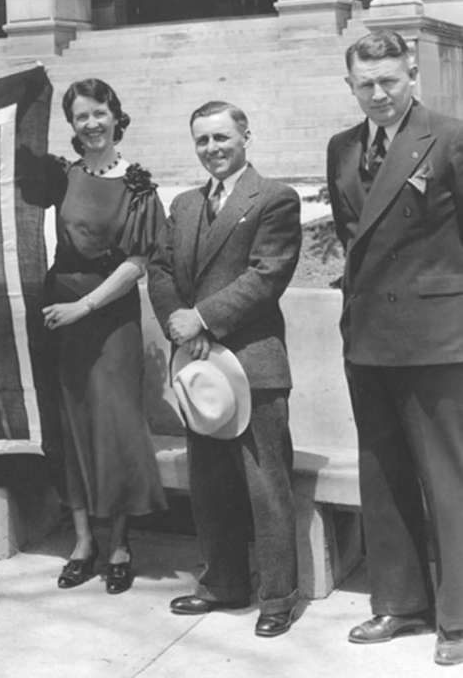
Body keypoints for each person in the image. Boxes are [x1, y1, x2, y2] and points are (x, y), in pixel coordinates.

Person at [327, 29, 463, 667]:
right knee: (383, 478)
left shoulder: (450, 135)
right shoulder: (341, 148)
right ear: (349, 85)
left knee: (450, 482)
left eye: (389, 81)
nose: (378, 95)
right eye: (365, 84)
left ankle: (458, 619)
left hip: (437, 338)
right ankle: (401, 603)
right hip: (369, 339)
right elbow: (352, 237)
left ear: (413, 74)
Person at [147, 101, 302, 638]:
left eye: (221, 138)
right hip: (197, 366)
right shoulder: (185, 204)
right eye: (202, 141)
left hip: (252, 364)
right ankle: (223, 583)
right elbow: (161, 268)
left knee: (265, 485)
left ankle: (278, 595)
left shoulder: (274, 198)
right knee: (209, 482)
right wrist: (177, 323)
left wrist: (204, 319)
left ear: (245, 137)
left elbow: (267, 275)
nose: (212, 149)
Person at [38, 78, 167, 595]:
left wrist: (83, 307)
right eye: (80, 117)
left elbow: (138, 264)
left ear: (116, 116)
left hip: (108, 316)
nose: (91, 124)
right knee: (72, 423)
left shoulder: (138, 187)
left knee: (114, 424)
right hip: (58, 315)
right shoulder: (61, 176)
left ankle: (118, 544)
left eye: (99, 113)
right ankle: (82, 543)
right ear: (71, 126)